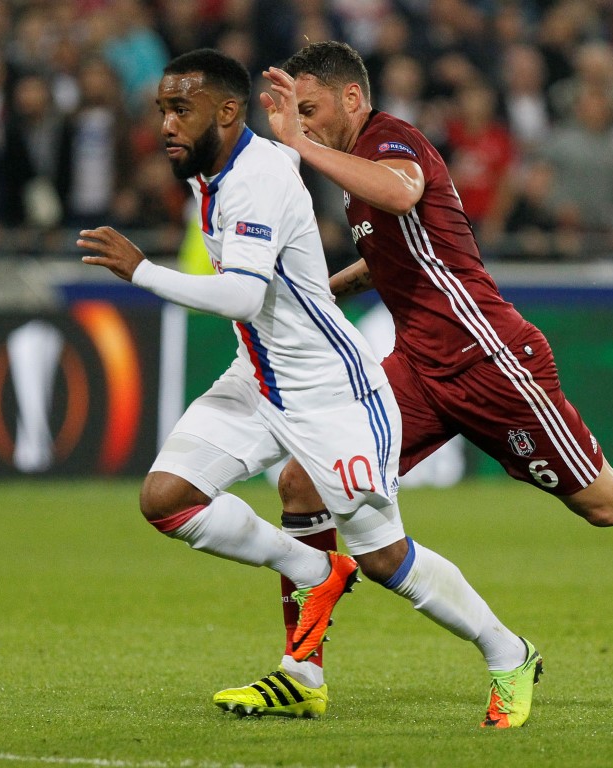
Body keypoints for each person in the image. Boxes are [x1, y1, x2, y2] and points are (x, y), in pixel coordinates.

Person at [214, 39, 613, 723]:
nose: (303, 125)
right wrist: (321, 293)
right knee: (303, 482)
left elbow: (401, 192)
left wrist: (296, 145)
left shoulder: (392, 142)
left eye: (311, 111)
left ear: (352, 98)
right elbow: (392, 258)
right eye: (296, 117)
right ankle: (302, 671)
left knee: (604, 501)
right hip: (420, 370)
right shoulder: (354, 169)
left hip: (491, 363)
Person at [78, 48, 539, 727]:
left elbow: (242, 295)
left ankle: (508, 652)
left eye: (181, 110)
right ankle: (312, 599)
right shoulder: (218, 170)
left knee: (384, 557)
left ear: (226, 112)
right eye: (162, 110)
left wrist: (141, 271)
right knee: (168, 498)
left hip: (330, 390)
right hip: (258, 375)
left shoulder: (255, 178)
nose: (167, 124)